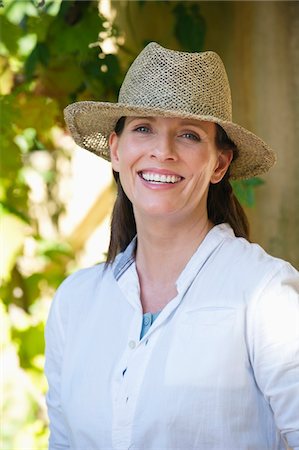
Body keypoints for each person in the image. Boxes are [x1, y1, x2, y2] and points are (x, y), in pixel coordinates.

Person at [45, 42, 299, 450]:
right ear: (116, 149)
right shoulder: (74, 304)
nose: (162, 152)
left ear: (219, 164)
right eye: (143, 128)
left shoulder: (265, 295)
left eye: (188, 135)